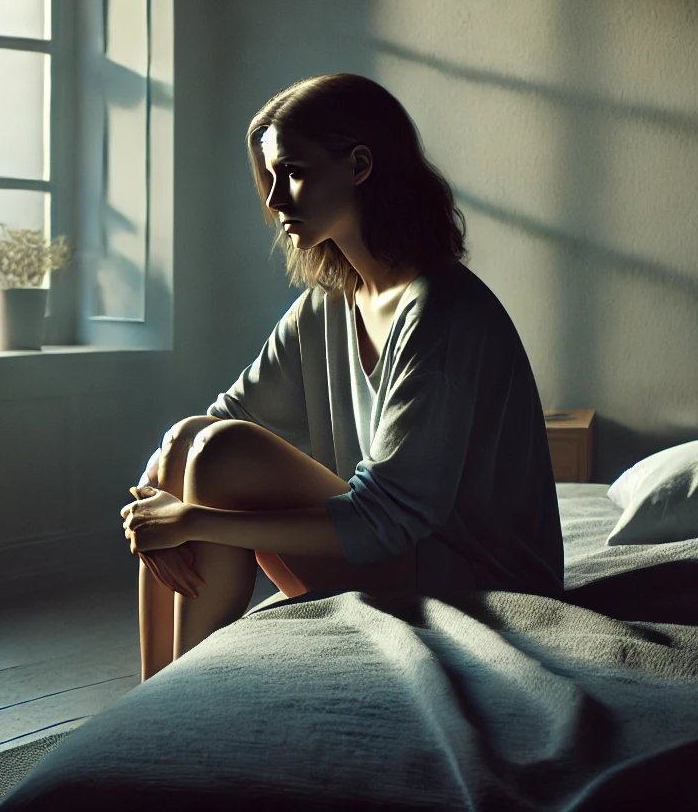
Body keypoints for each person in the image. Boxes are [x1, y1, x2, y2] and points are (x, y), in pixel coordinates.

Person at [121, 73, 563, 682]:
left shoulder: (442, 310)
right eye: (270, 178)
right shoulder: (329, 304)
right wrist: (153, 492)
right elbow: (220, 419)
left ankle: (171, 706)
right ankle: (150, 702)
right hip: (393, 558)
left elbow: (387, 518)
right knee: (185, 447)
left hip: (476, 583)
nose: (274, 200)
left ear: (359, 165)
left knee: (218, 456)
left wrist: (196, 521)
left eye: (293, 172)